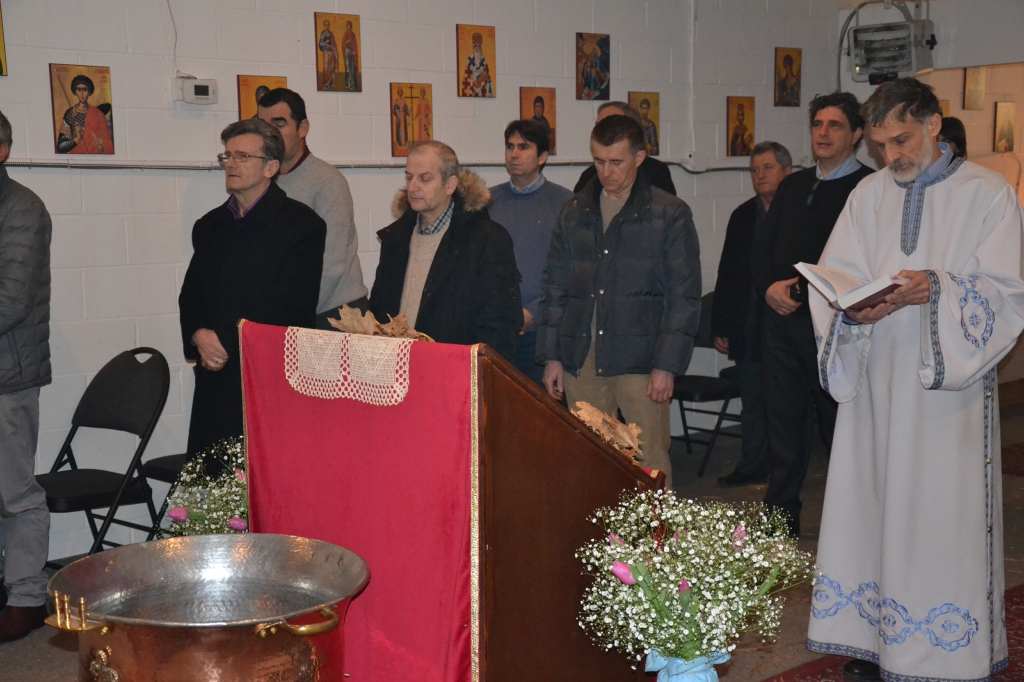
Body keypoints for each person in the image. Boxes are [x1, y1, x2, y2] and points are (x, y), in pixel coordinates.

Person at [806, 78, 1024, 682]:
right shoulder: (868, 193)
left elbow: (1008, 292)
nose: (891, 155)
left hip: (945, 395)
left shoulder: (987, 194)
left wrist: (939, 288)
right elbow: (839, 273)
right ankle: (875, 642)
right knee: (871, 506)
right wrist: (850, 309)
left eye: (901, 140)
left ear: (933, 125)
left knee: (936, 518)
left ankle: (943, 651)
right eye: (880, 145)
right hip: (875, 384)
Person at [538, 115, 701, 488]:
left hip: (641, 361)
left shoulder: (670, 214)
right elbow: (555, 287)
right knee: (589, 457)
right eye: (598, 161)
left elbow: (684, 296)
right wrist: (552, 356)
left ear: (640, 158)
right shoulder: (574, 211)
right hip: (581, 357)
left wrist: (667, 365)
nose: (606, 172)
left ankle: (653, 527)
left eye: (616, 162)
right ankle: (600, 528)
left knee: (650, 458)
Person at [751, 91, 874, 536]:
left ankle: (852, 526)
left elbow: (865, 263)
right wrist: (769, 288)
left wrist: (814, 294)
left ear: (856, 135)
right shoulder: (793, 185)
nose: (823, 133)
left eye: (834, 125)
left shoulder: (869, 188)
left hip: (835, 327)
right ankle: (780, 518)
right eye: (818, 124)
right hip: (782, 322)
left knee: (838, 426)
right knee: (783, 424)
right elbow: (763, 248)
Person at [178, 120, 325, 458]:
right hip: (215, 375)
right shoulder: (210, 226)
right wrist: (198, 334)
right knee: (215, 478)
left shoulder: (302, 225)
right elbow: (192, 294)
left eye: (243, 156)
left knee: (265, 473)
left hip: (269, 376)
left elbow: (291, 305)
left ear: (271, 167)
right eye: (227, 155)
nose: (231, 163)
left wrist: (226, 342)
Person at [368, 141, 521, 359]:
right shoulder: (395, 238)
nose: (412, 187)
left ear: (450, 185)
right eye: (409, 177)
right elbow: (378, 311)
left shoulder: (485, 239)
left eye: (425, 178)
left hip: (454, 367)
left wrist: (476, 371)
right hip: (397, 366)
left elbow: (499, 325)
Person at [711, 141, 792, 488]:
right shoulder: (743, 215)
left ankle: (788, 470)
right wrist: (721, 324)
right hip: (748, 323)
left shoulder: (800, 213)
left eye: (767, 168)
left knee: (787, 403)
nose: (760, 175)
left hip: (789, 323)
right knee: (753, 402)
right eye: (754, 170)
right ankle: (752, 465)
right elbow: (727, 273)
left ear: (787, 171)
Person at [0, 110, 52, 643]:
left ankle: (27, 598)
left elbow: (10, 302)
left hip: (7, 375)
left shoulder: (22, 208)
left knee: (16, 495)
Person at [257, 89, 368, 328]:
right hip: (292, 313)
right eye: (263, 126)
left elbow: (331, 265)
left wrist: (290, 316)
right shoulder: (262, 183)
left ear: (303, 128)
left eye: (279, 124)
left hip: (336, 316)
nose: (269, 135)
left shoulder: (328, 182)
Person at [487, 120, 573, 385]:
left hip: (543, 335)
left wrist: (535, 312)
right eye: (510, 146)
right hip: (496, 333)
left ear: (543, 156)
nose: (514, 154)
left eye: (524, 147)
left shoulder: (566, 204)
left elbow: (573, 273)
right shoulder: (486, 202)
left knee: (538, 410)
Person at [574, 102, 676, 195]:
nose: (606, 173)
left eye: (616, 162)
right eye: (599, 126)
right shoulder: (589, 177)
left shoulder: (656, 173)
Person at [56, 74, 113, 154]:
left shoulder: (98, 114)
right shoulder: (70, 114)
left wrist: (102, 143)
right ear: (75, 92)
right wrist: (76, 140)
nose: (82, 93)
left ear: (89, 92)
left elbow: (108, 142)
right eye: (79, 89)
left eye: (85, 89)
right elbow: (61, 147)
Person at [461, 33, 493, 97]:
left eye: (479, 46)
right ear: (473, 47)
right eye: (476, 46)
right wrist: (473, 82)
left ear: (481, 47)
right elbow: (466, 78)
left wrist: (482, 81)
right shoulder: (470, 60)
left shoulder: (483, 61)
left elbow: (487, 78)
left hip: (481, 88)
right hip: (471, 87)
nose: (477, 49)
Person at [318, 19, 339, 90]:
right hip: (326, 52)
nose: (327, 26)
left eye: (328, 25)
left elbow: (334, 43)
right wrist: (325, 43)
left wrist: (335, 51)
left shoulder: (331, 33)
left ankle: (331, 83)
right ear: (324, 26)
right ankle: (326, 84)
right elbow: (320, 44)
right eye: (326, 25)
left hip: (331, 52)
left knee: (332, 68)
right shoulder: (323, 34)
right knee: (327, 68)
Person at [341, 21, 358, 91]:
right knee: (348, 68)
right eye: (347, 26)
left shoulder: (353, 34)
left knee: (352, 68)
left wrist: (354, 51)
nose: (348, 27)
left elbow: (355, 44)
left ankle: (352, 84)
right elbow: (343, 44)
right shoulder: (345, 34)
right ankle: (347, 84)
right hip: (347, 51)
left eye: (349, 26)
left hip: (352, 52)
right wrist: (346, 43)